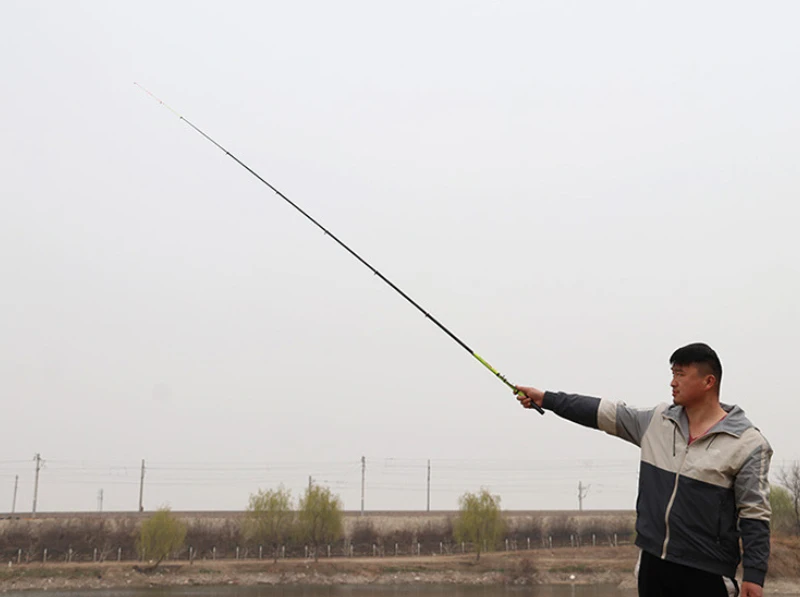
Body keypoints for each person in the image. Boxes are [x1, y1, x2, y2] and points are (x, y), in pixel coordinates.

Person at [515, 343, 771, 597]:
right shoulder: (656, 421)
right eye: (672, 374)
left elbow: (755, 515)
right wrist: (547, 399)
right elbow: (602, 412)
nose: (672, 382)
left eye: (680, 374)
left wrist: (754, 575)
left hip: (707, 571)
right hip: (653, 563)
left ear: (708, 382)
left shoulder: (748, 444)